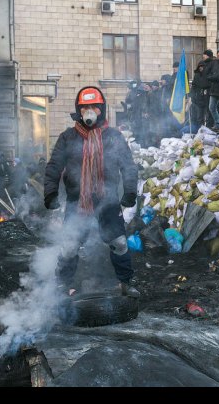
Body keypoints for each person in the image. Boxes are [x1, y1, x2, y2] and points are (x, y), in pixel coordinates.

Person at [44, 86, 139, 298]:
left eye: (94, 106)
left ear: (102, 109)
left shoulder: (114, 136)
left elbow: (128, 166)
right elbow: (54, 166)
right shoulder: (68, 137)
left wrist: (130, 191)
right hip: (77, 201)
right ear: (79, 110)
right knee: (69, 245)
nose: (90, 111)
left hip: (109, 200)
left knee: (119, 243)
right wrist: (50, 193)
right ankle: (62, 285)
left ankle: (125, 282)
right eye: (85, 107)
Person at [190, 53, 211, 132]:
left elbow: (208, 84)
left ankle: (207, 130)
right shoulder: (197, 75)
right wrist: (192, 96)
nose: (201, 68)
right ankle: (200, 130)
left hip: (206, 97)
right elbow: (194, 86)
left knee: (208, 115)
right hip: (198, 98)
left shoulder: (207, 75)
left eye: (202, 66)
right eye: (200, 66)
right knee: (199, 116)